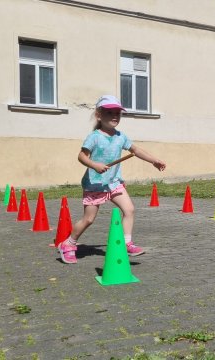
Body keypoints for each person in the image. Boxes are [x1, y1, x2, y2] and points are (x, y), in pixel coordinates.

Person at [58, 95, 166, 264]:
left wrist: (154, 160)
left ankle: (126, 243)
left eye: (118, 113)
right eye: (110, 113)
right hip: (95, 184)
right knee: (89, 219)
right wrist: (94, 165)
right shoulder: (94, 136)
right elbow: (81, 156)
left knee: (129, 210)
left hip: (114, 183)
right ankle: (68, 244)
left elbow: (136, 150)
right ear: (99, 115)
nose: (115, 116)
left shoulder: (120, 136)